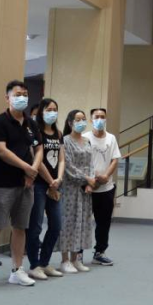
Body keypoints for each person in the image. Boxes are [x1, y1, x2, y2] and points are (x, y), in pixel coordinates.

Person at [0, 80, 41, 289]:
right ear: (7, 98)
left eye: (25, 94)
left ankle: (17, 270)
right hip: (2, 183)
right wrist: (27, 167)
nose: (22, 97)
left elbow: (38, 148)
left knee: (20, 227)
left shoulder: (31, 123)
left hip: (26, 185)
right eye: (17, 94)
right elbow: (1, 151)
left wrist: (33, 171)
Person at [27, 98, 64, 280]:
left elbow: (62, 158)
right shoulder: (36, 131)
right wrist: (51, 182)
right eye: (49, 109)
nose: (52, 112)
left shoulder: (58, 133)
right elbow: (38, 159)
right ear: (41, 111)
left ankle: (44, 262)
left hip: (55, 184)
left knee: (56, 225)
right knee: (35, 226)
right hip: (40, 184)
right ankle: (34, 265)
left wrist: (59, 179)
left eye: (55, 109)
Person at [57, 110, 94, 274]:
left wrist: (90, 182)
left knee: (82, 221)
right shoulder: (65, 141)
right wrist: (86, 179)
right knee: (68, 222)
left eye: (83, 119)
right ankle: (64, 260)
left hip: (85, 189)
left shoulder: (87, 141)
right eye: (78, 119)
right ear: (70, 122)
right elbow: (68, 166)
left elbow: (91, 163)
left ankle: (75, 258)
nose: (81, 122)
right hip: (70, 187)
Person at [87, 108, 121, 266]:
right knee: (83, 222)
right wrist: (90, 179)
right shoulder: (85, 137)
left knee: (103, 223)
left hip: (106, 188)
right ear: (91, 119)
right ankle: (77, 253)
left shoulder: (111, 138)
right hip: (87, 188)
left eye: (102, 117)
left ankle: (100, 252)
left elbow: (115, 159)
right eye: (96, 117)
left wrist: (106, 176)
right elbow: (81, 161)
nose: (100, 119)